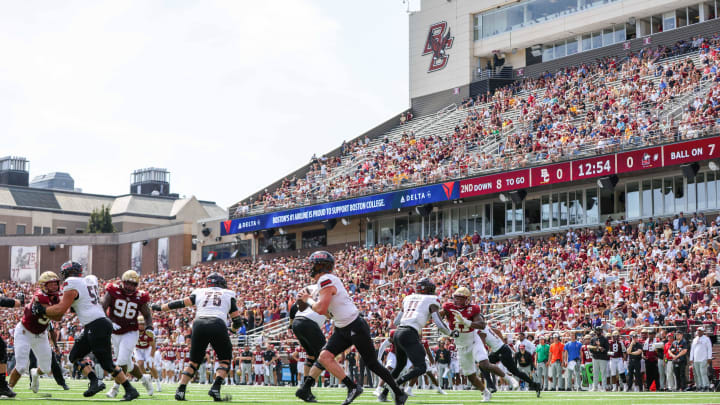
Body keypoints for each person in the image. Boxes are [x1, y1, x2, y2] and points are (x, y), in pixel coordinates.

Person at [296, 251, 408, 405]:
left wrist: (307, 300)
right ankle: (353, 387)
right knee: (324, 357)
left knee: (372, 364)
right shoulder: (323, 281)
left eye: (313, 264)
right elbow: (327, 313)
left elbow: (321, 309)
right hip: (342, 327)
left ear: (320, 265)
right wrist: (305, 301)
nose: (310, 267)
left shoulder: (326, 279)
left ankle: (398, 392)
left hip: (354, 325)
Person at [34, 261, 139, 400]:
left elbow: (60, 310)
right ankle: (95, 382)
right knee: (74, 356)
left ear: (68, 274)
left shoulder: (71, 282)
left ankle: (130, 389)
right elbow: (76, 303)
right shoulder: (90, 279)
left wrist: (42, 309)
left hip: (97, 325)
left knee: (107, 363)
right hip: (95, 324)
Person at [151, 272, 242, 402]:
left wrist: (160, 307)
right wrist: (232, 330)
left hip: (199, 324)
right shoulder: (228, 293)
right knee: (225, 360)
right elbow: (237, 321)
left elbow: (181, 303)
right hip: (217, 323)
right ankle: (215, 388)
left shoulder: (200, 292)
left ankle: (181, 390)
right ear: (222, 284)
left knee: (193, 361)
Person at [376, 278, 452, 402]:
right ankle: (397, 387)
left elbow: (396, 321)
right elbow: (438, 323)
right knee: (421, 367)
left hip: (398, 332)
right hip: (409, 333)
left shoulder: (408, 298)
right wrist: (451, 333)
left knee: (399, 366)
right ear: (427, 289)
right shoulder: (432, 300)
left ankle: (383, 394)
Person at [103, 270, 154, 398]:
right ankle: (144, 379)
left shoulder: (140, 296)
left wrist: (149, 327)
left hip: (131, 331)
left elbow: (147, 315)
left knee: (121, 361)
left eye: (133, 284)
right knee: (128, 364)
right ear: (123, 282)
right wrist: (108, 322)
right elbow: (102, 307)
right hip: (114, 331)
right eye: (128, 284)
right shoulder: (113, 290)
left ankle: (115, 388)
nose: (130, 287)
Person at [9, 271, 60, 395]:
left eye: (55, 283)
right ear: (43, 285)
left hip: (41, 334)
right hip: (24, 332)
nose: (54, 286)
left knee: (46, 368)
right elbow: (57, 316)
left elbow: (54, 321)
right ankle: (8, 389)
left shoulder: (56, 297)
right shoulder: (39, 295)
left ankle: (35, 373)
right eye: (51, 284)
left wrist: (56, 345)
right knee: (21, 366)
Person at [476, 309, 540, 396]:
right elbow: (498, 331)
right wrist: (502, 342)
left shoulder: (481, 331)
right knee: (482, 365)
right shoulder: (486, 327)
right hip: (499, 350)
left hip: (502, 351)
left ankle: (534, 385)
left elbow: (482, 345)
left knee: (514, 371)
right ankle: (491, 386)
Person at [291, 283, 328, 402]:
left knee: (311, 356)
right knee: (325, 357)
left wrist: (291, 323)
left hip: (297, 323)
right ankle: (305, 389)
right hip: (310, 324)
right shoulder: (329, 290)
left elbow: (293, 307)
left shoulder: (309, 288)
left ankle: (306, 389)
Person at [135, 316, 161, 392]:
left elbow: (153, 346)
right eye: (140, 324)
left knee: (150, 366)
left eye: (143, 324)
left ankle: (157, 382)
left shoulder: (149, 333)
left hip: (147, 348)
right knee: (140, 364)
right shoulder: (133, 332)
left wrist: (151, 357)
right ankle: (147, 381)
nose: (141, 326)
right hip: (138, 349)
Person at [689, 326, 712, 391]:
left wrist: (709, 357)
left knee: (703, 373)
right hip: (696, 359)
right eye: (698, 330)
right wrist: (691, 358)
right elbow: (692, 349)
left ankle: (706, 385)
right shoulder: (695, 339)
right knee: (697, 373)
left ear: (703, 331)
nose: (698, 331)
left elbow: (709, 349)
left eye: (700, 330)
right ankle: (700, 386)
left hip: (703, 358)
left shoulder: (706, 339)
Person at [588, 327, 609, 391]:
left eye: (599, 331)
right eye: (597, 330)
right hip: (595, 357)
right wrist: (596, 348)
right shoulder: (593, 339)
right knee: (595, 373)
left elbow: (607, 349)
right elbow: (590, 349)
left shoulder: (605, 339)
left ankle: (604, 387)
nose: (598, 332)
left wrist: (602, 349)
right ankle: (595, 387)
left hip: (603, 358)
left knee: (603, 373)